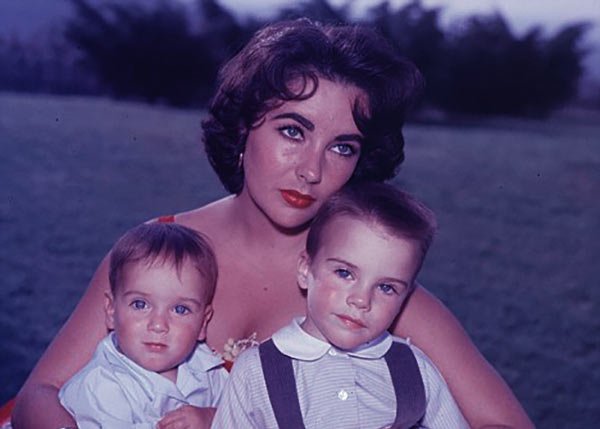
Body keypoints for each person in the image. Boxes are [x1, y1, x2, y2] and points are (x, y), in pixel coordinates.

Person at [12, 18, 533, 429]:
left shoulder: (377, 292)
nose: (311, 169)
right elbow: (40, 394)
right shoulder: (157, 250)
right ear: (243, 128)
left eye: (342, 147)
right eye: (292, 130)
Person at [212, 183, 469, 428]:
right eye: (345, 273)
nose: (361, 300)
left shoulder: (414, 369)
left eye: (386, 288)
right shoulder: (257, 372)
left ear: (405, 296)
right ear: (305, 270)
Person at [58, 223, 228, 428]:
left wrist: (213, 418)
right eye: (140, 304)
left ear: (203, 322)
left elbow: (245, 415)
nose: (158, 325)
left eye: (180, 309)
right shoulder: (100, 389)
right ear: (111, 311)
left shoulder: (209, 370)